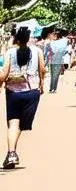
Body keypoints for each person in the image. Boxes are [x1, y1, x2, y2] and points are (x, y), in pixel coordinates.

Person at [1, 27, 45, 170]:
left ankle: (11, 152)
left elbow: (4, 73)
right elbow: (42, 69)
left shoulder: (10, 52)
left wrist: (1, 84)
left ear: (16, 39)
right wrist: (42, 84)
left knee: (13, 123)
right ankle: (12, 153)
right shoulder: (37, 51)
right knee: (21, 125)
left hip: (13, 93)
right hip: (32, 92)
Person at [44, 29, 69, 94]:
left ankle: (52, 88)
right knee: (55, 76)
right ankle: (53, 89)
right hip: (58, 61)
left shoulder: (51, 43)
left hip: (53, 61)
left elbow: (47, 52)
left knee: (53, 75)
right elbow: (65, 51)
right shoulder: (63, 42)